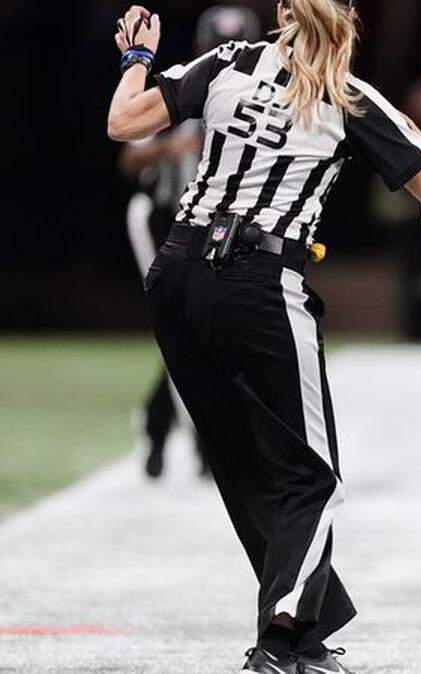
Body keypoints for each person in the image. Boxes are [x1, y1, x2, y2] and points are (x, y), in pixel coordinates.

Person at [105, 2, 421, 672]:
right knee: (312, 480)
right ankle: (278, 640)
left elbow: (123, 121)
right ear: (351, 20)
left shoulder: (227, 61)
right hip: (260, 276)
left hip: (176, 272)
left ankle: (305, 637)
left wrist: (137, 60)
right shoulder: (350, 96)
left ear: (280, 13)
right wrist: (415, 132)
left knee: (244, 464)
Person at [121, 5, 261, 480]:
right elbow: (128, 155)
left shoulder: (260, 96)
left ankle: (167, 427)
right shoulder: (184, 85)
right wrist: (172, 147)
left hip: (217, 230)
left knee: (206, 331)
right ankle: (195, 441)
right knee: (189, 329)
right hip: (162, 219)